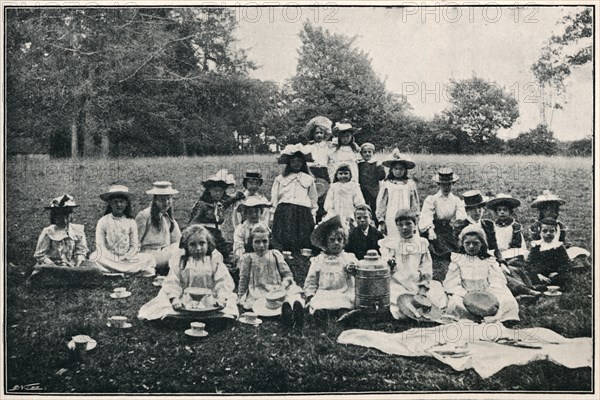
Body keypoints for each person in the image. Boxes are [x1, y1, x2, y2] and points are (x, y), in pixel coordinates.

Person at [138, 225, 238, 320]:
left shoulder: (214, 261)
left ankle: (218, 317)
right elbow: (173, 282)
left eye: (202, 243)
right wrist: (175, 298)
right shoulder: (181, 262)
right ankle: (176, 317)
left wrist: (221, 298)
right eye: (192, 244)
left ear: (208, 244)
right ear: (186, 246)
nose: (198, 248)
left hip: (210, 299)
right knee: (166, 304)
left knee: (228, 306)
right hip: (185, 299)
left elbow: (223, 282)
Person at [443, 225, 519, 323]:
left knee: (508, 301)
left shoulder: (489, 260)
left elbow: (497, 280)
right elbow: (452, 283)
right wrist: (467, 295)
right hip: (466, 294)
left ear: (482, 244)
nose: (471, 247)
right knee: (454, 304)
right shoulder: (458, 260)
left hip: (488, 293)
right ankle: (471, 318)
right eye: (467, 243)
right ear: (462, 244)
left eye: (475, 243)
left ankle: (503, 318)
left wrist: (487, 295)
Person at [379, 210, 447, 320]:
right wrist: (389, 263)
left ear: (415, 225)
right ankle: (409, 312)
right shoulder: (392, 244)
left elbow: (426, 266)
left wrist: (423, 287)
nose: (404, 228)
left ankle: (419, 310)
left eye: (408, 224)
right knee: (395, 298)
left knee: (435, 294)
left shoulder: (421, 243)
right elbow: (385, 260)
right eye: (400, 225)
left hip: (416, 282)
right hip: (398, 282)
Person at [237, 224, 305, 326]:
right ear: (251, 243)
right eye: (257, 242)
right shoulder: (248, 258)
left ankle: (293, 311)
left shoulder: (275, 254)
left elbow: (287, 274)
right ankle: (284, 315)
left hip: (278, 289)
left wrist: (283, 285)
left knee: (294, 296)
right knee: (262, 305)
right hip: (259, 291)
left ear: (269, 241)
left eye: (264, 241)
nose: (261, 245)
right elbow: (244, 278)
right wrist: (241, 296)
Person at [29, 194, 103, 282]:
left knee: (94, 269)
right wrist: (54, 265)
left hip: (73, 264)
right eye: (60, 217)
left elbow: (81, 251)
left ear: (71, 216)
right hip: (53, 265)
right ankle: (67, 277)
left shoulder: (77, 230)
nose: (64, 220)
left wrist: (76, 265)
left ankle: (70, 276)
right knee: (44, 270)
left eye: (67, 216)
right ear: (54, 217)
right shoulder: (48, 232)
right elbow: (40, 255)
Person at [91, 185, 156, 276]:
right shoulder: (103, 221)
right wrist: (111, 257)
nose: (119, 205)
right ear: (110, 203)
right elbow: (100, 245)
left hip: (127, 258)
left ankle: (115, 270)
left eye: (121, 202)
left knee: (149, 258)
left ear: (126, 203)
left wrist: (127, 256)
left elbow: (134, 244)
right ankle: (127, 270)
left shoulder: (131, 221)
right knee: (95, 257)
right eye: (115, 202)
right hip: (109, 257)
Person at [486, 193, 540, 298]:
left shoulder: (514, 226)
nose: (502, 212)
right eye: (499, 210)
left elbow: (518, 245)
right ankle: (524, 289)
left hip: (513, 253)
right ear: (496, 212)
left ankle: (526, 287)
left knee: (514, 265)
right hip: (499, 254)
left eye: (505, 210)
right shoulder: (492, 227)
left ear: (510, 212)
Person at [303, 216, 358, 317]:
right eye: (332, 240)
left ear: (344, 242)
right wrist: (310, 295)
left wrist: (353, 270)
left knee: (345, 303)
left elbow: (359, 273)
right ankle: (321, 314)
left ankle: (344, 314)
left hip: (343, 292)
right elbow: (311, 280)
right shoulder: (319, 259)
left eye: (339, 240)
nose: (336, 243)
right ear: (325, 242)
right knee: (319, 302)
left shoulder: (348, 258)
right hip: (324, 292)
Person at [188, 169, 244, 263]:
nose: (218, 193)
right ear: (209, 190)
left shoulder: (219, 205)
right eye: (215, 191)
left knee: (229, 251)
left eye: (221, 191)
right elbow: (192, 223)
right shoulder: (202, 205)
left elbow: (228, 201)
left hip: (218, 236)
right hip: (206, 236)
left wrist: (237, 195)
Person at [271, 144, 318, 253]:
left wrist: (313, 215)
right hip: (284, 211)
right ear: (289, 163)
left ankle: (301, 259)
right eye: (293, 161)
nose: (296, 164)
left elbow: (313, 199)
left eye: (299, 161)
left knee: (302, 239)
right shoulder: (280, 179)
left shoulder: (309, 179)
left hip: (302, 212)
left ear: (303, 163)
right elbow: (274, 199)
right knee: (284, 238)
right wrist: (273, 215)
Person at [419, 168, 467, 259]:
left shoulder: (456, 200)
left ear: (453, 184)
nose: (446, 187)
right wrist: (430, 230)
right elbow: (426, 215)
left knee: (457, 248)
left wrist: (458, 228)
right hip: (435, 229)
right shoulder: (432, 199)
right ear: (439, 185)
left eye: (449, 184)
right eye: (443, 185)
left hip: (448, 229)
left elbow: (461, 217)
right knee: (437, 247)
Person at [136, 181, 181, 275]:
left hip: (165, 252)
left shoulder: (168, 217)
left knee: (181, 250)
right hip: (149, 254)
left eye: (169, 199)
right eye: (162, 200)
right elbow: (136, 241)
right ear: (155, 200)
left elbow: (178, 240)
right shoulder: (144, 216)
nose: (166, 203)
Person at [376, 149, 419, 240]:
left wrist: (415, 218)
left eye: (401, 169)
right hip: (391, 215)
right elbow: (381, 203)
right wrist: (381, 220)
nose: (398, 171)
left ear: (405, 170)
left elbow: (414, 203)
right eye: (396, 169)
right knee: (393, 237)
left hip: (407, 214)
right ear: (391, 170)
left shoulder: (410, 184)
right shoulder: (387, 184)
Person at [303, 116, 334, 223]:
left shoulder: (328, 146)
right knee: (313, 195)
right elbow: (306, 162)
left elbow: (332, 158)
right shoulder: (309, 146)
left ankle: (323, 218)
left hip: (323, 171)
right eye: (316, 133)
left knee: (324, 194)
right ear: (313, 134)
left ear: (325, 134)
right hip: (312, 171)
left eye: (321, 133)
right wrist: (310, 173)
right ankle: (312, 219)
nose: (319, 135)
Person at [453, 190, 500, 260]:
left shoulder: (488, 224)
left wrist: (501, 261)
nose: (477, 211)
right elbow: (460, 249)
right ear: (467, 210)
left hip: (490, 258)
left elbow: (494, 246)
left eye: (479, 208)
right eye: (473, 209)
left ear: (483, 208)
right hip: (470, 260)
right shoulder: (460, 227)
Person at [527, 217, 571, 289]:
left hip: (553, 273)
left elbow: (566, 263)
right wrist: (537, 274)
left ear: (556, 232)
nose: (548, 233)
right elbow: (529, 263)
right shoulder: (537, 246)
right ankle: (540, 286)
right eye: (544, 231)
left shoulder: (558, 246)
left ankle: (544, 286)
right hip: (540, 273)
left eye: (551, 231)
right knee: (527, 274)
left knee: (563, 277)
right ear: (540, 232)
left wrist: (557, 272)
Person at [322, 162, 365, 231]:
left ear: (350, 175)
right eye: (341, 174)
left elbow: (359, 202)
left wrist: (353, 215)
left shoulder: (354, 186)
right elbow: (329, 202)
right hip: (336, 212)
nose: (343, 176)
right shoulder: (333, 187)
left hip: (350, 212)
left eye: (346, 173)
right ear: (336, 175)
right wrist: (333, 214)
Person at [232, 197, 272, 262]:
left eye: (256, 212)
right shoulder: (241, 229)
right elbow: (238, 246)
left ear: (260, 212)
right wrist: (242, 257)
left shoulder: (265, 227)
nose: (254, 215)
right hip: (247, 257)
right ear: (245, 214)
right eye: (250, 212)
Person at [357, 143, 386, 224]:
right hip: (362, 190)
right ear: (361, 154)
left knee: (374, 208)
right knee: (363, 208)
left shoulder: (376, 164)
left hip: (374, 191)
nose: (367, 154)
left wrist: (380, 167)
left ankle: (376, 224)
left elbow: (382, 176)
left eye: (369, 152)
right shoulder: (359, 164)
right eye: (365, 152)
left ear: (373, 153)